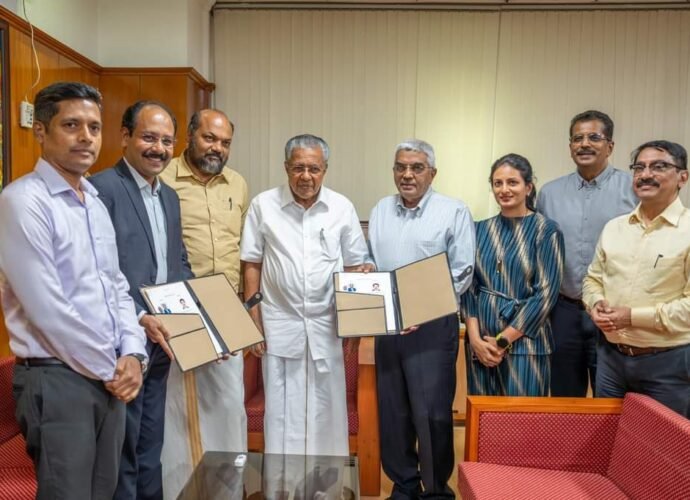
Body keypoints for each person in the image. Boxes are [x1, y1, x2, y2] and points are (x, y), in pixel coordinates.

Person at [0, 81, 147, 499]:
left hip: (108, 375)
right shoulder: (23, 201)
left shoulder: (94, 203)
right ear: (41, 130)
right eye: (71, 125)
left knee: (104, 492)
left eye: (94, 127)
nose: (86, 137)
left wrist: (133, 354)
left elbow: (116, 287)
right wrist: (113, 369)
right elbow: (48, 310)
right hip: (58, 377)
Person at [89, 100, 193, 500]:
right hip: (122, 339)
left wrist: (205, 322)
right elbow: (95, 272)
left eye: (167, 141)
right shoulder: (102, 189)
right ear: (125, 137)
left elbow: (178, 262)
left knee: (151, 442)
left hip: (162, 335)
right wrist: (136, 316)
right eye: (149, 138)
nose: (159, 149)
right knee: (123, 445)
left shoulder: (169, 196)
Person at [240, 134, 370, 456]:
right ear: (286, 167)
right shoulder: (263, 205)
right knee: (282, 410)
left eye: (314, 168)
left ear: (325, 169)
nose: (306, 176)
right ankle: (282, 480)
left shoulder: (341, 207)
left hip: (327, 325)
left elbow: (355, 267)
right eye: (299, 168)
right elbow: (252, 262)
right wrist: (253, 315)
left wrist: (354, 325)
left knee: (328, 409)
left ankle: (326, 480)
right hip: (279, 323)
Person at [368, 139, 475, 499]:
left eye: (416, 167)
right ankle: (404, 486)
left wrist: (418, 308)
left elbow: (462, 272)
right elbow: (371, 263)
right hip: (388, 327)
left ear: (432, 173)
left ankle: (435, 491)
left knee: (431, 415)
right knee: (393, 412)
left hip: (432, 327)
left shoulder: (453, 211)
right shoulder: (381, 209)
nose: (407, 175)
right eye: (400, 167)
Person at [158, 109, 248, 499]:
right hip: (178, 308)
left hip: (226, 307)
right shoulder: (162, 179)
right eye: (209, 138)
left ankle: (226, 491)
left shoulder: (237, 184)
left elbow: (244, 250)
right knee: (178, 410)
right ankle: (180, 491)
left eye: (225, 142)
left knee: (228, 405)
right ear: (190, 136)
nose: (217, 148)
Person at [583, 140, 690, 418]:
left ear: (683, 177)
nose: (645, 174)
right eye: (639, 167)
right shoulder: (614, 227)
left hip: (668, 363)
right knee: (608, 437)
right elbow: (592, 279)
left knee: (662, 442)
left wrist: (631, 317)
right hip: (610, 359)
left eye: (659, 166)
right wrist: (595, 304)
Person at [537, 110, 637, 397]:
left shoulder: (632, 189)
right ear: (570, 146)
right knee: (564, 397)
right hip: (563, 312)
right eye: (577, 138)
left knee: (613, 397)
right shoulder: (550, 193)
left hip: (613, 311)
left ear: (610, 146)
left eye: (594, 137)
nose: (584, 144)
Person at [462, 154, 564, 397]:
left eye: (512, 182)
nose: (504, 190)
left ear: (528, 187)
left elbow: (546, 295)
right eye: (498, 183)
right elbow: (468, 287)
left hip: (526, 342)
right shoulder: (478, 229)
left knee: (520, 417)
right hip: (481, 342)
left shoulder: (546, 231)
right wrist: (475, 339)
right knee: (483, 415)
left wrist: (502, 341)